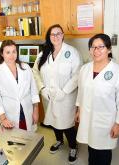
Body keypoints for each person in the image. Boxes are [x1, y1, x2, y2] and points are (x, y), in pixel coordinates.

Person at [75, 33, 119, 165]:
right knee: (91, 147)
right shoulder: (84, 69)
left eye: (101, 47)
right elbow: (81, 91)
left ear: (109, 49)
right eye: (93, 47)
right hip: (87, 116)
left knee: (103, 152)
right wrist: (78, 109)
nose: (96, 51)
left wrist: (118, 124)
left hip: (106, 121)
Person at [33, 24, 82, 164]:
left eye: (58, 33)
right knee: (53, 121)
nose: (55, 36)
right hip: (49, 96)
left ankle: (73, 146)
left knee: (67, 123)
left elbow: (77, 74)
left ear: (63, 35)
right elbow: (35, 71)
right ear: (49, 37)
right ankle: (59, 141)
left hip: (66, 97)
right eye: (52, 34)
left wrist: (65, 91)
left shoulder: (72, 52)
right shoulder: (43, 53)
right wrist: (42, 88)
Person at [0, 40, 39, 131]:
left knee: (29, 138)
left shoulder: (25, 67)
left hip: (27, 110)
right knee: (14, 141)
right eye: (8, 52)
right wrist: (3, 118)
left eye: (14, 51)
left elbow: (33, 90)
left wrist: (36, 110)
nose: (12, 55)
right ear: (2, 54)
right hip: (9, 113)